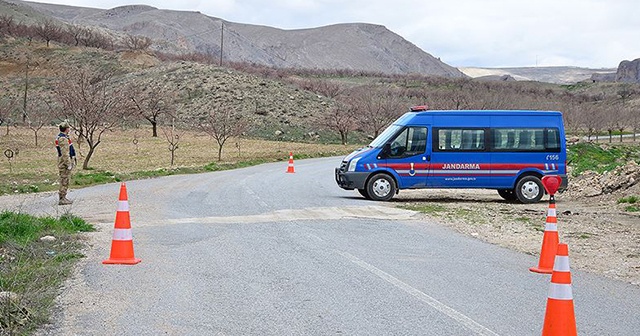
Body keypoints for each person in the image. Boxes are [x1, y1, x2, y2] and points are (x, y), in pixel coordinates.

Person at [55, 121, 76, 205]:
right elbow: (65, 153)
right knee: (64, 180)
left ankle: (63, 197)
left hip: (63, 161)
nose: (69, 129)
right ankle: (62, 198)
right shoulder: (63, 139)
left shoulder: (63, 137)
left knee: (65, 179)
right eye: (68, 128)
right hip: (64, 163)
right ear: (66, 129)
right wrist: (68, 164)